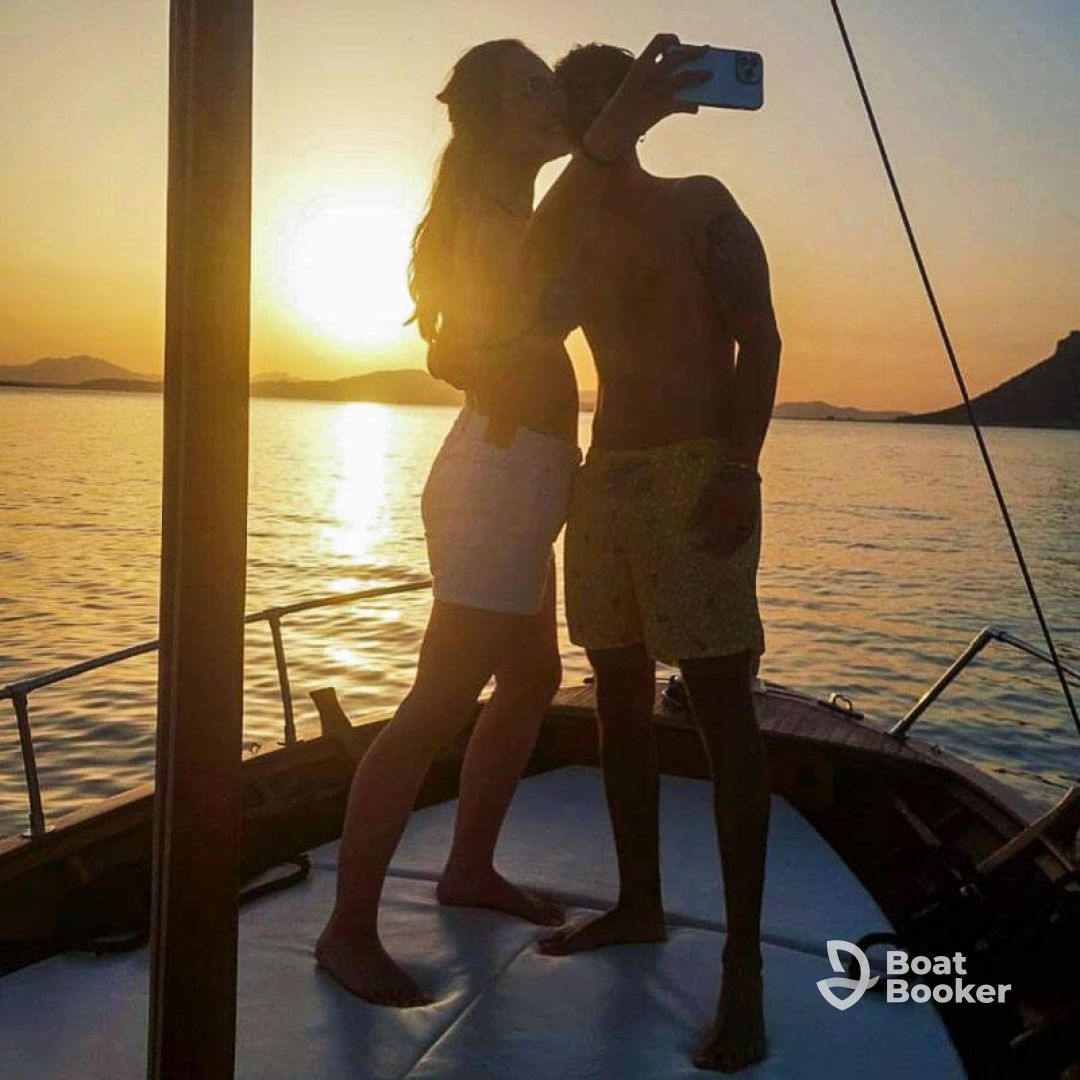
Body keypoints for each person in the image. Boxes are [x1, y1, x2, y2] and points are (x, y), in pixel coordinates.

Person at [316, 36, 706, 1008]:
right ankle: (347, 930)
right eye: (533, 89)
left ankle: (468, 869)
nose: (554, 101)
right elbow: (490, 323)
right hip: (497, 480)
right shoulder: (492, 222)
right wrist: (611, 139)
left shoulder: (504, 211)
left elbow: (459, 341)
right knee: (436, 704)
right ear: (491, 118)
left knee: (530, 676)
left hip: (525, 475)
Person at [538, 44, 783, 1074]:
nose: (595, 111)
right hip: (604, 478)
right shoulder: (566, 222)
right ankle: (639, 903)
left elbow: (760, 339)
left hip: (695, 468)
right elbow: (526, 309)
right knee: (616, 695)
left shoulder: (700, 201)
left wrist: (739, 467)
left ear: (645, 104)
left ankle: (743, 964)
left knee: (723, 708)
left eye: (612, 93)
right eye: (577, 100)